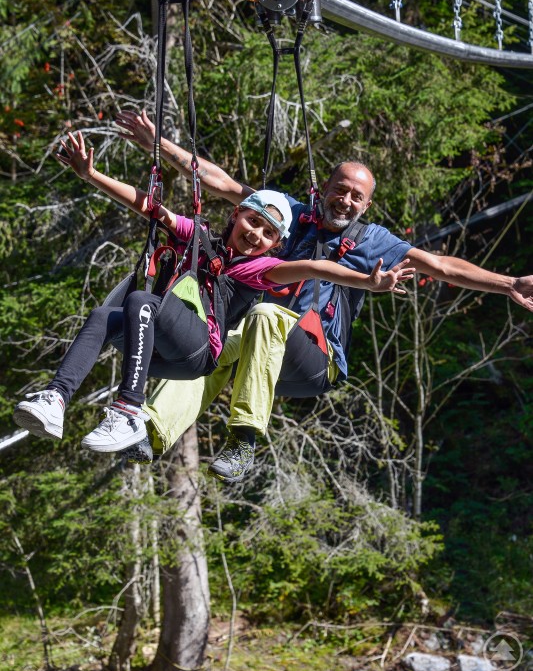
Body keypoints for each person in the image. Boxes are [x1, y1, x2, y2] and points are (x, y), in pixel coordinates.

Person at [114, 110, 533, 481]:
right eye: (340, 190)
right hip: (262, 347)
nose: (345, 201)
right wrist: (159, 145)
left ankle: (243, 441)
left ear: (366, 206)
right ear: (324, 188)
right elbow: (223, 183)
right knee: (218, 344)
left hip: (316, 360)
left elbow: (440, 265)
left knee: (262, 316)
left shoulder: (372, 241)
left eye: (356, 197)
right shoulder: (291, 216)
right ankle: (150, 432)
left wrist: (509, 284)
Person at [13, 129, 414, 455]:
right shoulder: (200, 237)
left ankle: (129, 409)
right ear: (236, 214)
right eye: (252, 221)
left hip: (198, 354)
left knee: (142, 302)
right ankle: (56, 398)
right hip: (164, 350)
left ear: (276, 245)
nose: (255, 235)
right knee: (104, 315)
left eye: (268, 234)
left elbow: (315, 267)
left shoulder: (259, 269)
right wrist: (91, 176)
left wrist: (367, 282)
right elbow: (150, 208)